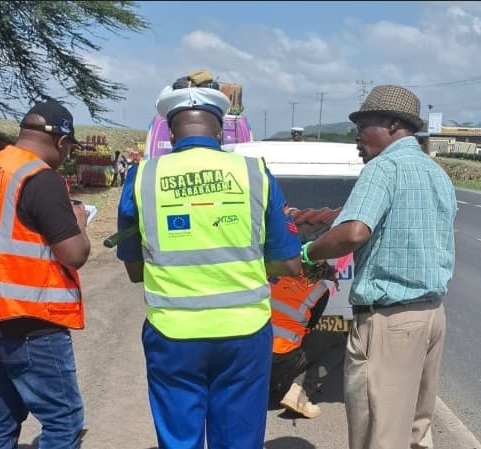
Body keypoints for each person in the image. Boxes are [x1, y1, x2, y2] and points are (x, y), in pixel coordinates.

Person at [117, 84, 302, 449]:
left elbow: (135, 270)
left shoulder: (141, 177)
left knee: (178, 438)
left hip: (172, 335)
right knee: (239, 439)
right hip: (244, 334)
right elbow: (288, 264)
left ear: (171, 133)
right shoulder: (254, 173)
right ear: (219, 131)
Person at [302, 85, 456, 449]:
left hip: (389, 323)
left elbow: (354, 232)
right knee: (416, 430)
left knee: (379, 433)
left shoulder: (382, 168)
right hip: (431, 316)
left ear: (391, 125)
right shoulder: (436, 173)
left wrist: (310, 252)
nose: (357, 134)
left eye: (364, 123)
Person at [0, 100, 91, 449]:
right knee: (63, 420)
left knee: (2, 415)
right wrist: (79, 223)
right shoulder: (41, 178)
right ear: (61, 142)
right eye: (69, 148)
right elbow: (74, 255)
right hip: (33, 322)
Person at [268, 262, 335, 419]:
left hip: (254, 353)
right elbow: (310, 327)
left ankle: (269, 384)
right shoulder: (319, 290)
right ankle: (299, 392)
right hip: (284, 359)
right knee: (336, 341)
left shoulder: (270, 272)